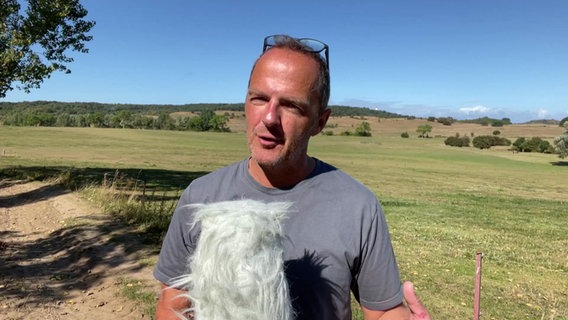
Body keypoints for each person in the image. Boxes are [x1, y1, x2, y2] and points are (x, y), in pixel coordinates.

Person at [153, 34, 431, 320]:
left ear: (319, 122)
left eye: (292, 106)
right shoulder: (201, 197)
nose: (270, 118)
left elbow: (383, 311)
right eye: (259, 98)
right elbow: (172, 303)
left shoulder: (358, 206)